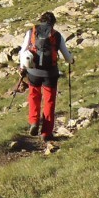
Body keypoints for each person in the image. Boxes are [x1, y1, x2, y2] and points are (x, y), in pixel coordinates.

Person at [11, 11, 74, 141]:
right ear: (53, 23)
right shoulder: (56, 35)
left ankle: (34, 121)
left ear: (41, 20)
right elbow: (67, 57)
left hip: (33, 72)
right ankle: (46, 132)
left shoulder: (31, 32)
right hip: (50, 73)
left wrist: (22, 67)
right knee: (49, 101)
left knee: (34, 95)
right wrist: (72, 60)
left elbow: (23, 51)